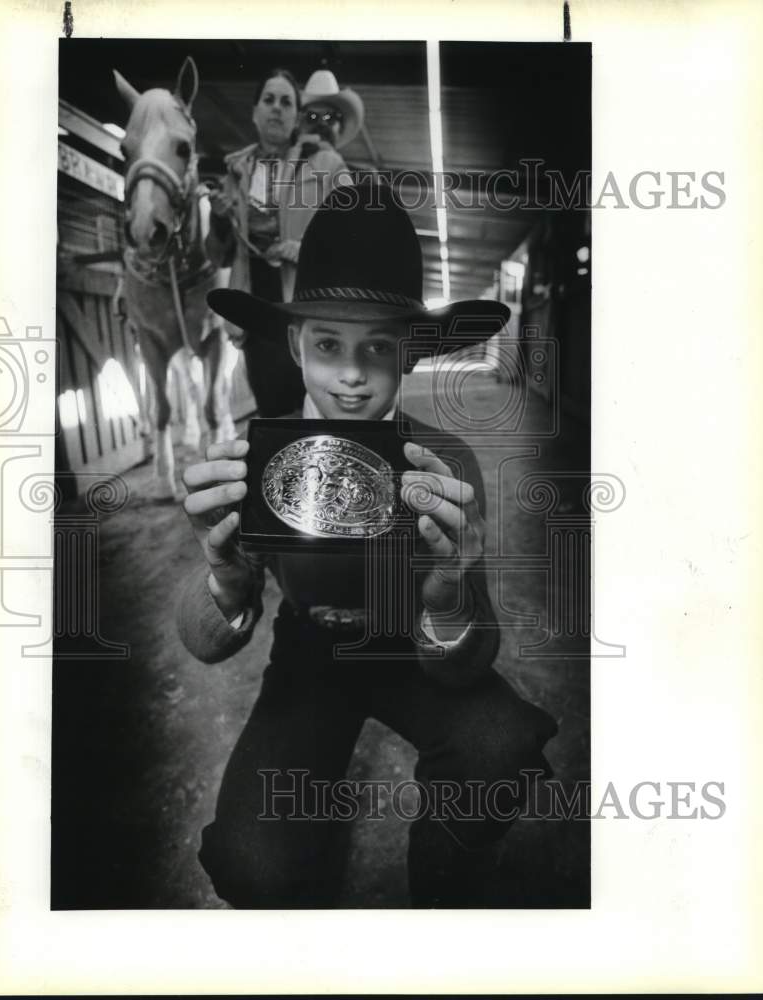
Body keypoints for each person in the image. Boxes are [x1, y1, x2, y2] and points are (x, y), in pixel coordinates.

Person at [177, 181, 557, 908]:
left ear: (409, 354)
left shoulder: (443, 463)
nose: (350, 374)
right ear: (294, 345)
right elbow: (202, 641)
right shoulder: (255, 459)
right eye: (327, 344)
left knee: (498, 750)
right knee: (254, 867)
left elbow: (470, 655)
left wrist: (447, 594)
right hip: (308, 655)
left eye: (376, 347)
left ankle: (437, 903)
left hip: (405, 644)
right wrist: (222, 576)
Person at [205, 68, 354, 417]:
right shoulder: (237, 171)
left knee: (322, 418)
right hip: (258, 325)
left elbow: (356, 234)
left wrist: (307, 250)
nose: (276, 108)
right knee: (276, 419)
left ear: (296, 116)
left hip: (313, 321)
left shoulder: (328, 165)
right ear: (255, 112)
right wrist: (219, 218)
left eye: (286, 102)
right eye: (268, 100)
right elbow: (218, 256)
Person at [298, 68, 365, 151]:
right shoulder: (284, 163)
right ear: (298, 124)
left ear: (340, 127)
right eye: (312, 117)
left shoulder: (340, 164)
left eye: (330, 117)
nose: (322, 123)